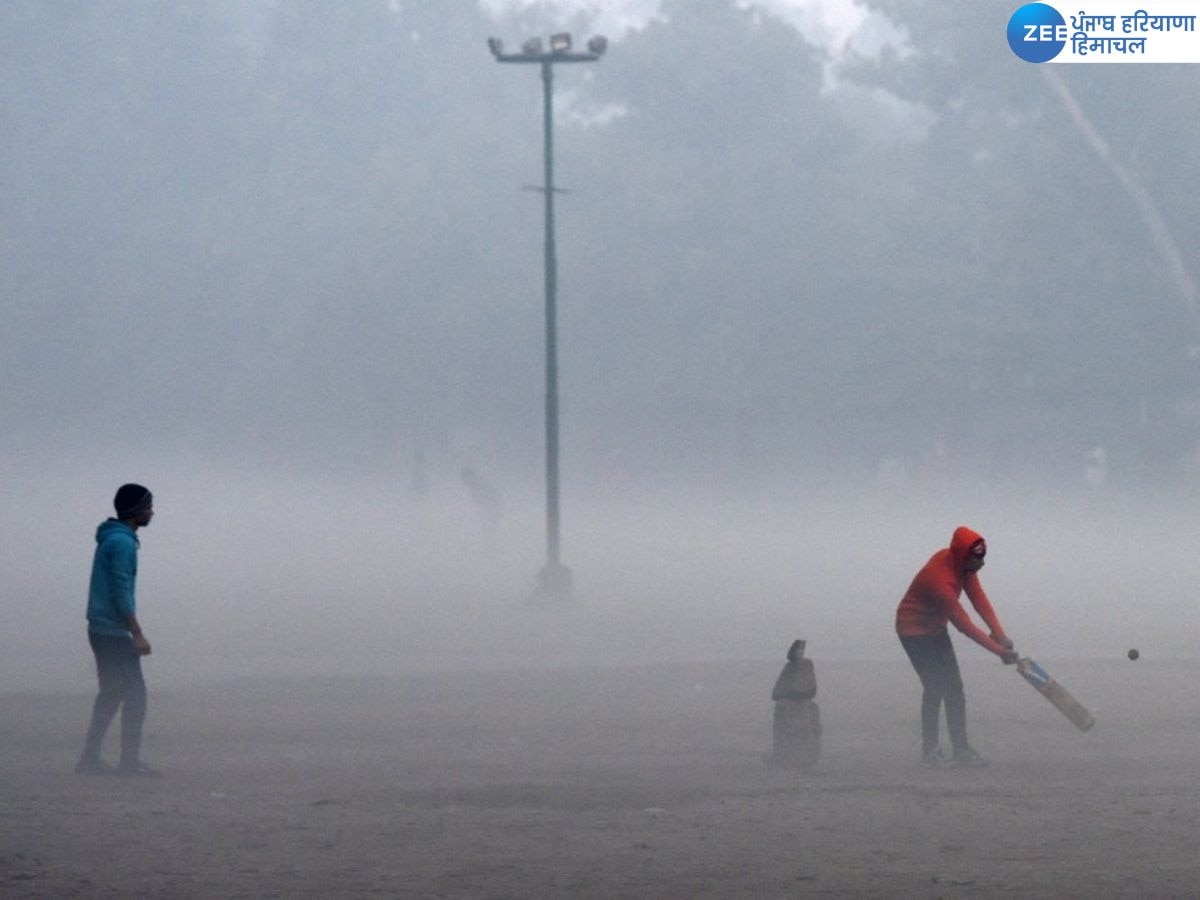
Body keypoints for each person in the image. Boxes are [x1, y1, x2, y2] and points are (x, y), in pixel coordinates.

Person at [895, 526, 1018, 769]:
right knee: (935, 687)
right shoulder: (939, 579)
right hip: (913, 631)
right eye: (977, 560)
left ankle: (961, 750)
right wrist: (999, 651)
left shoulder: (963, 565)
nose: (981, 565)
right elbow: (964, 625)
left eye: (983, 559)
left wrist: (1000, 635)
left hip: (935, 629)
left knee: (955, 689)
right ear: (963, 556)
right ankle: (930, 751)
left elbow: (978, 599)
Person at [76, 483, 159, 776]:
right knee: (136, 695)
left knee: (111, 693)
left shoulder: (113, 539)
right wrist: (136, 631)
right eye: (148, 506)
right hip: (113, 631)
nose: (152, 511)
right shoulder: (122, 544)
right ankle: (128, 763)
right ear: (135, 511)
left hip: (100, 629)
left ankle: (89, 759)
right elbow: (120, 589)